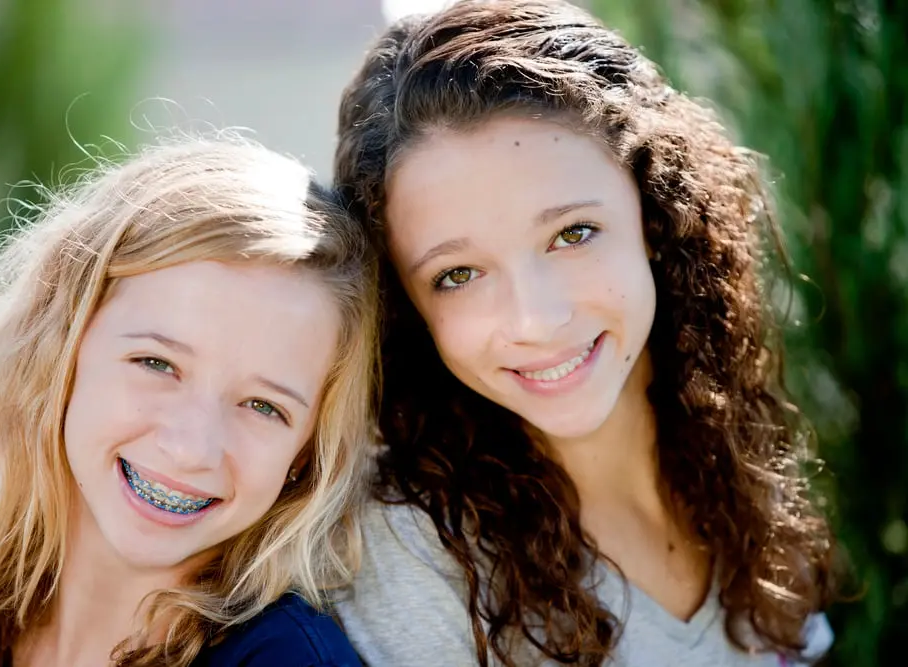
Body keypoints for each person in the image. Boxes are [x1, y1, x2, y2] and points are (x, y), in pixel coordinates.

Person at [331, 1, 836, 665]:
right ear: (406, 306)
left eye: (573, 233)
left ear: (655, 209)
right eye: (458, 273)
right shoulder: (411, 554)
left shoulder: (739, 477)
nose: (536, 318)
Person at [0, 135, 376, 666]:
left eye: (264, 406)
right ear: (59, 348)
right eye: (158, 364)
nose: (190, 448)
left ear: (306, 454)